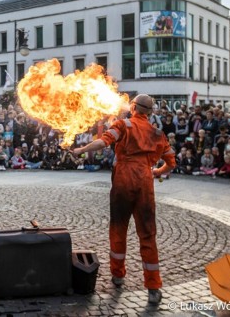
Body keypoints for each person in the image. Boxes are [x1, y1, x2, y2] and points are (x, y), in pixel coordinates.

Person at [73, 94, 175, 305]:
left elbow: (103, 141)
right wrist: (156, 172)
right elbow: (171, 163)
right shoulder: (158, 132)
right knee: (148, 233)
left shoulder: (123, 124)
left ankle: (118, 275)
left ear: (133, 107)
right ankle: (153, 287)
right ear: (150, 112)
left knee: (118, 228)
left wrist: (82, 149)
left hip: (124, 179)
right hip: (145, 181)